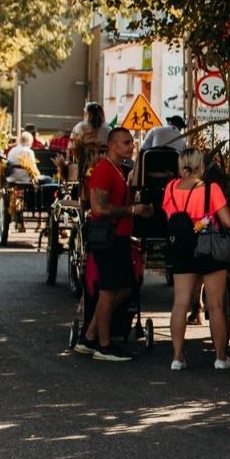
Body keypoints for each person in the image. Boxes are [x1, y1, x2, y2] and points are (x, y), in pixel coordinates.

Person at [74, 127, 151, 361]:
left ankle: (89, 336)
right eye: (126, 142)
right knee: (108, 292)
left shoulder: (118, 169)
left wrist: (137, 210)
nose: (131, 146)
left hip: (119, 237)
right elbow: (98, 208)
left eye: (131, 142)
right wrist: (131, 210)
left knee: (125, 287)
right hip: (109, 237)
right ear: (112, 145)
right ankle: (103, 346)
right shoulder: (103, 170)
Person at [162, 148, 230, 370]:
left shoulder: (171, 188)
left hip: (182, 246)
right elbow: (228, 222)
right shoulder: (211, 189)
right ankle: (220, 358)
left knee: (180, 302)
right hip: (209, 248)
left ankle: (177, 357)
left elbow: (169, 216)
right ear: (201, 166)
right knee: (215, 304)